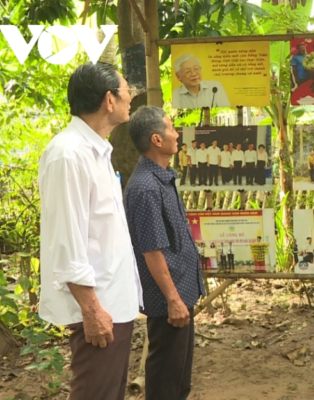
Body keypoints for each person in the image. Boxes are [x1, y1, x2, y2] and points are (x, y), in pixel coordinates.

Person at [38, 62, 141, 400]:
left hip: (114, 301)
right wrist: (92, 309)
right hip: (99, 307)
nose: (131, 96)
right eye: (126, 89)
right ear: (109, 100)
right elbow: (66, 242)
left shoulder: (97, 151)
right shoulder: (68, 154)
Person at [124, 106, 205, 400]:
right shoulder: (146, 187)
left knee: (179, 380)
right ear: (157, 140)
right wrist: (173, 300)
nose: (177, 133)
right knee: (165, 382)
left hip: (181, 292)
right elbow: (151, 250)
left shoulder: (161, 177)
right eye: (171, 128)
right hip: (167, 300)